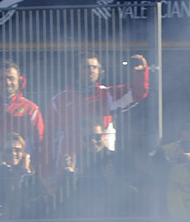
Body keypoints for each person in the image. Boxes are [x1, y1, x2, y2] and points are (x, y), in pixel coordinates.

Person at [44, 52, 149, 189]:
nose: (91, 71)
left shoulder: (107, 95)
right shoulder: (58, 101)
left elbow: (137, 93)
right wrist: (46, 173)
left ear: (100, 71)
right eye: (86, 67)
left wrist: (141, 73)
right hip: (70, 167)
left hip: (102, 166)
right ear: (77, 71)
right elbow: (47, 141)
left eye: (94, 67)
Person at [0, 134, 52, 219]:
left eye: (17, 150)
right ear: (1, 153)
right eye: (8, 150)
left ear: (23, 153)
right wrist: (3, 167)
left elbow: (38, 196)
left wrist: (26, 171)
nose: (13, 153)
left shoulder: (31, 173)